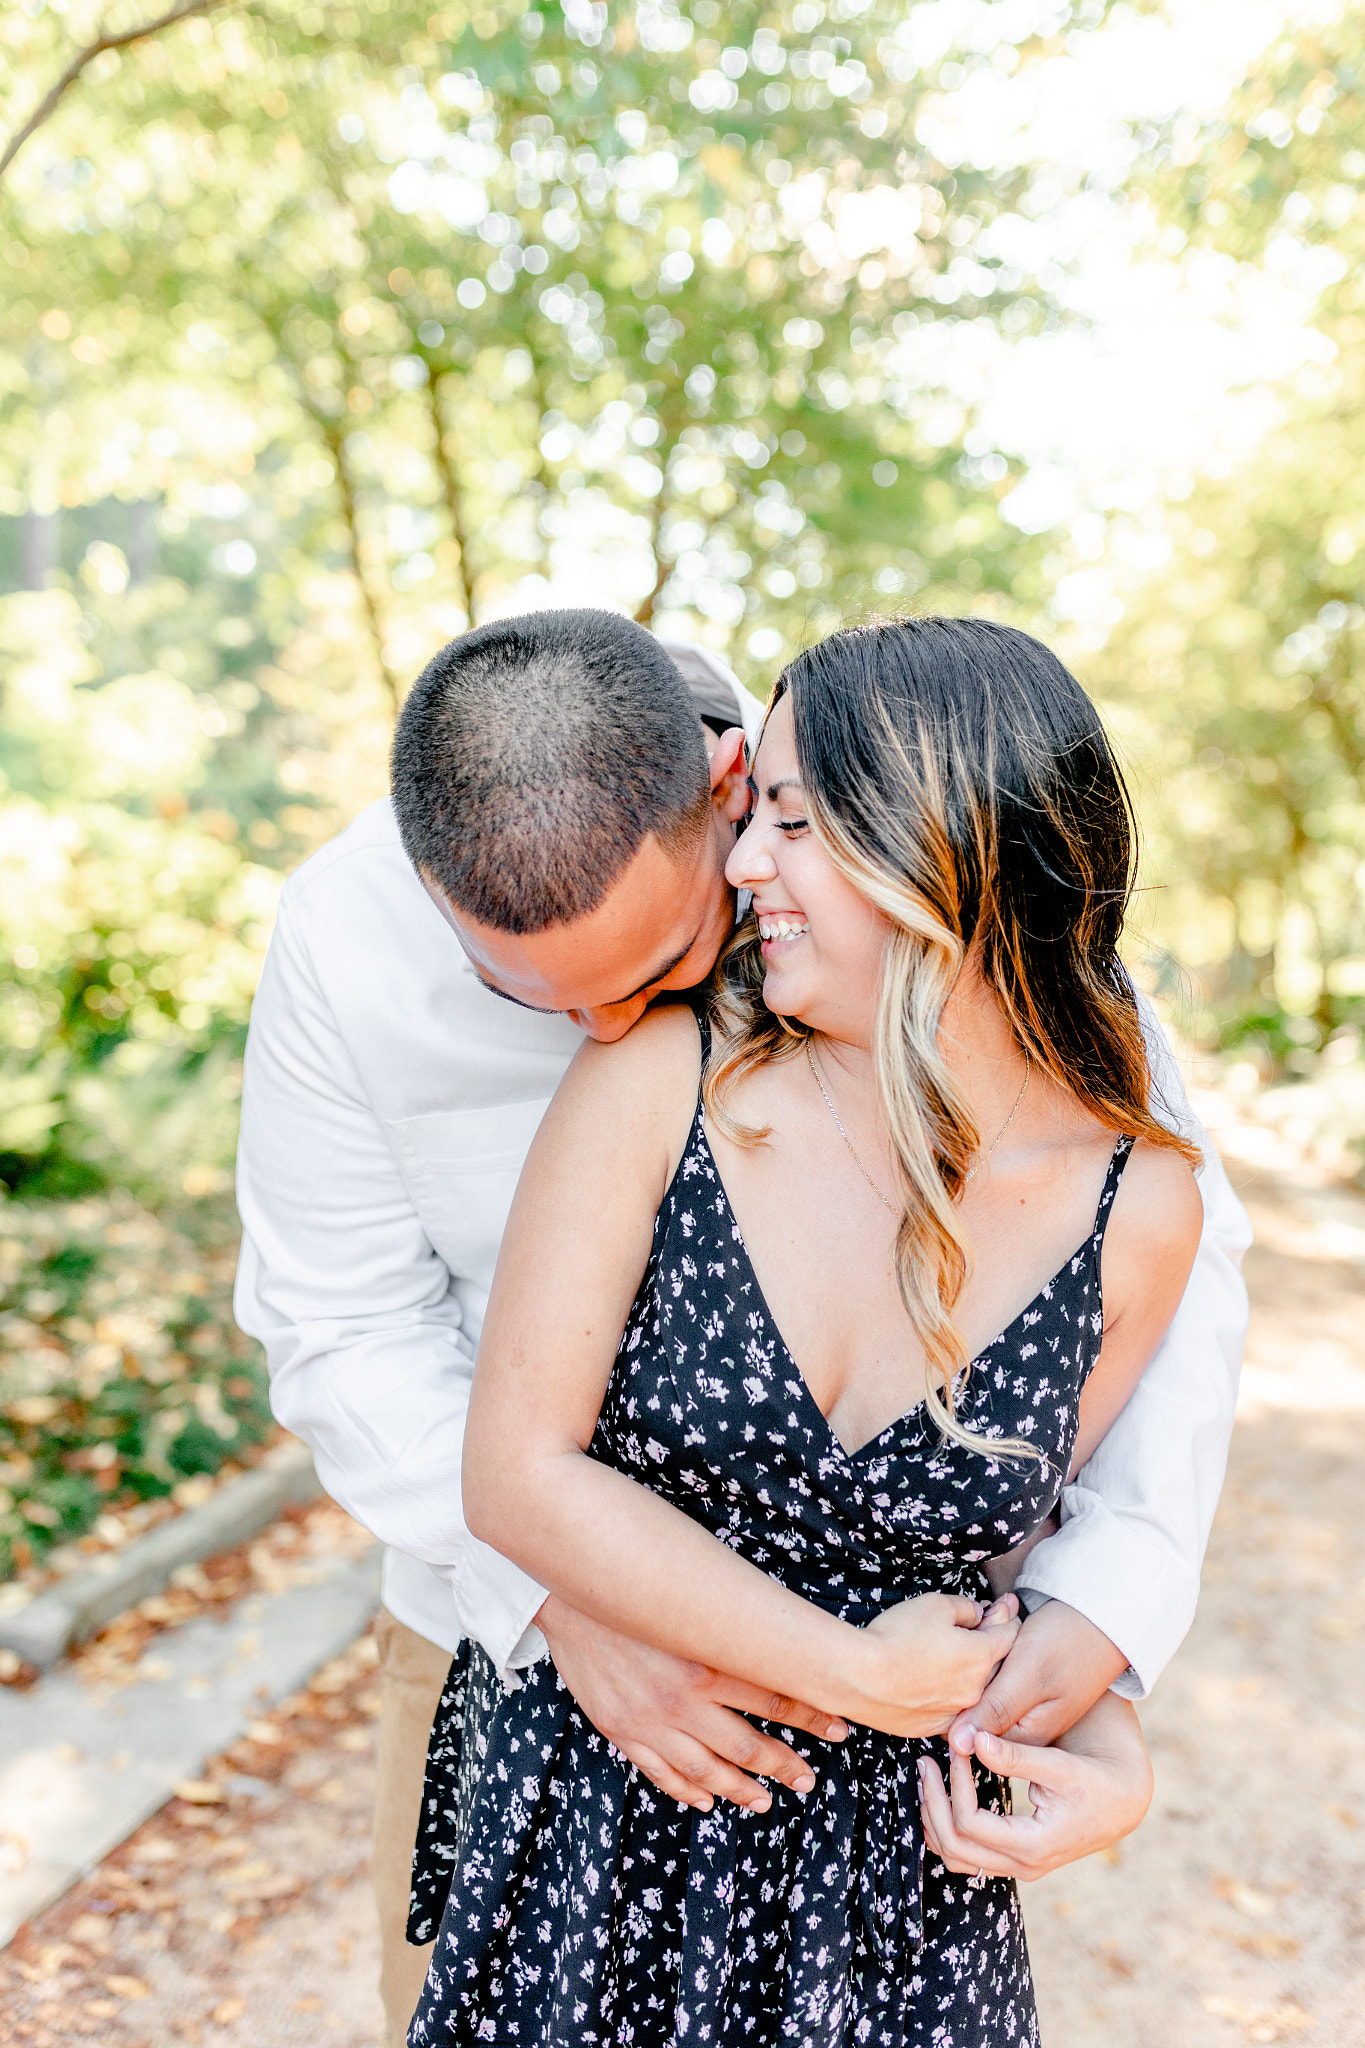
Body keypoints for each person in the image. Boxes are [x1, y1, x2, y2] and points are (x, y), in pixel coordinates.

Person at [233, 610, 1249, 2047]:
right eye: (536, 996)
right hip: (519, 1658)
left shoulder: (869, 833)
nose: (611, 1027)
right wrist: (564, 1595)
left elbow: (1149, 1307)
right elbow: (343, 1332)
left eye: (658, 969)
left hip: (870, 1851)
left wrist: (1095, 1664)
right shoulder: (348, 943)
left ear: (727, 793)